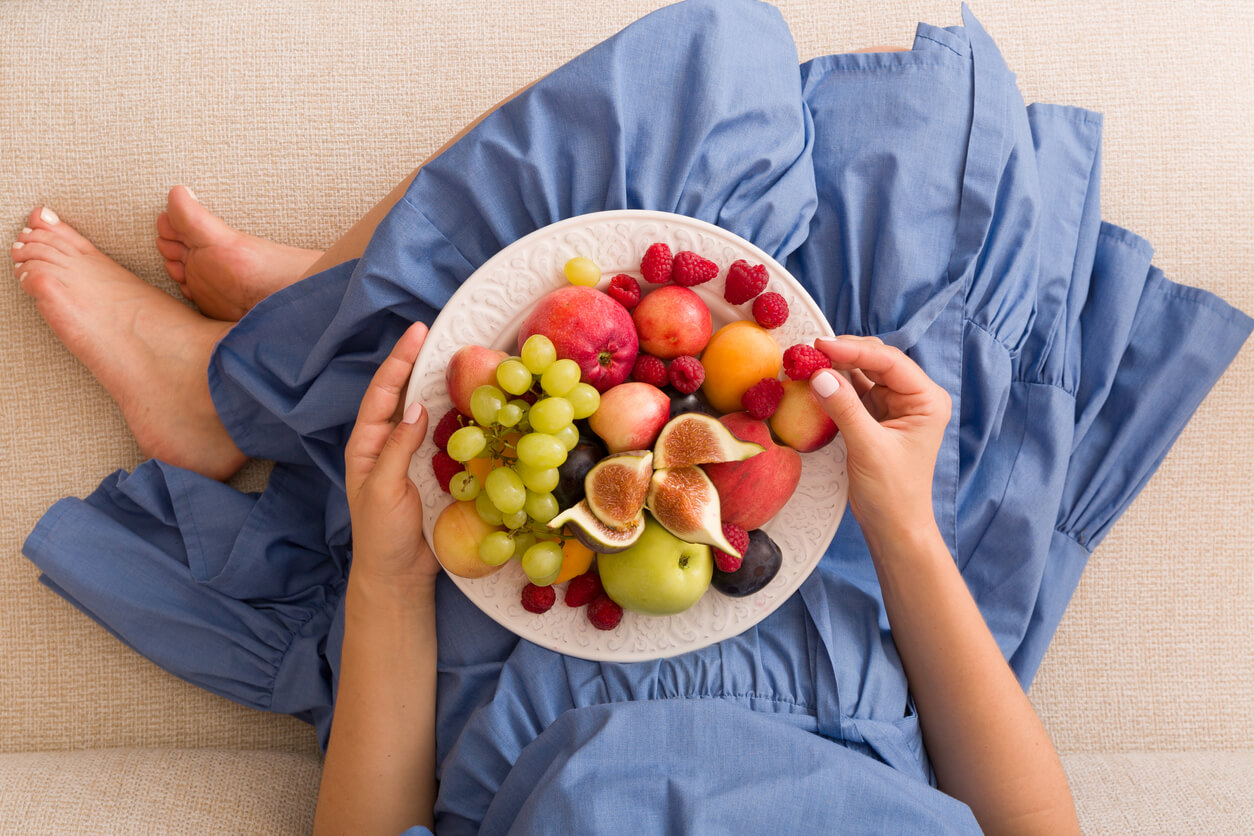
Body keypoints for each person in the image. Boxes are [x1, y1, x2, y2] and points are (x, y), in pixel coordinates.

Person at [16, 2, 1252, 834]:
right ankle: (315, 310)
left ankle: (251, 376)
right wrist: (908, 526)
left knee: (641, 153)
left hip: (530, 637)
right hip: (841, 623)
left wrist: (389, 577)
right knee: (716, 55)